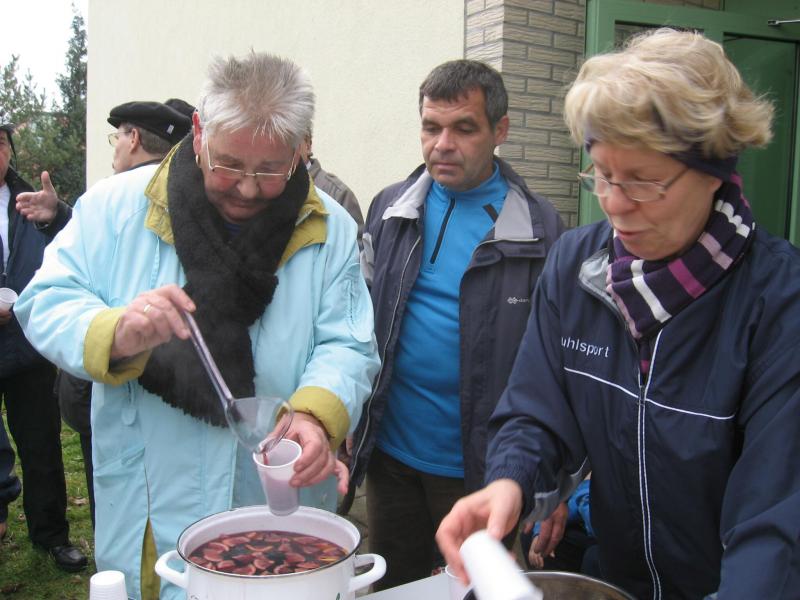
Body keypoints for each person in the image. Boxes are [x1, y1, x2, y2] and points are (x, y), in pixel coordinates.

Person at [436, 29, 800, 600]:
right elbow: (536, 411)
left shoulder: (779, 301)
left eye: (644, 182)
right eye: (603, 174)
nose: (614, 203)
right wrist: (510, 481)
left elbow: (775, 523)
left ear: (715, 171)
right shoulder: (575, 267)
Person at [15, 52, 379, 600]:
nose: (248, 189)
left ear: (300, 151)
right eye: (229, 165)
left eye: (270, 171)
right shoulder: (115, 208)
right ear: (200, 132)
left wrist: (313, 414)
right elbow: (45, 300)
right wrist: (116, 331)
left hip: (277, 499)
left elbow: (348, 343)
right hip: (150, 501)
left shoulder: (331, 227)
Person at [348, 59, 564, 590]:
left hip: (483, 469)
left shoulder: (540, 229)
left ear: (500, 130)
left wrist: (555, 481)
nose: (443, 144)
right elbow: (361, 323)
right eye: (431, 127)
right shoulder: (390, 208)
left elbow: (558, 367)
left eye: (464, 128)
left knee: (472, 588)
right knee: (396, 586)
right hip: (392, 457)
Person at [18, 99, 195, 530]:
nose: (115, 146)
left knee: (118, 494)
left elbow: (61, 289)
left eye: (117, 137)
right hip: (159, 393)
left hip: (112, 384)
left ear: (133, 139)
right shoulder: (177, 199)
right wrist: (59, 216)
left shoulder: (109, 197)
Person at [0, 121, 86, 571]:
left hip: (28, 342)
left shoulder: (29, 200)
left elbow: (73, 247)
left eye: (1, 143)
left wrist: (57, 216)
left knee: (41, 445)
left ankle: (51, 535)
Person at [300, 130, 364, 241]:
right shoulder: (270, 190)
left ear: (308, 145)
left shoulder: (338, 194)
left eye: (290, 139)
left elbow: (357, 247)